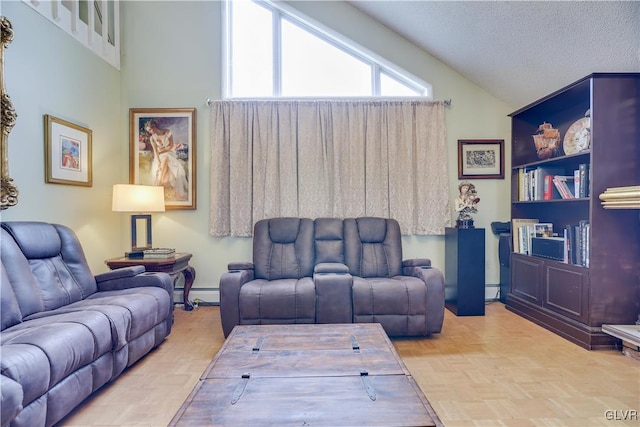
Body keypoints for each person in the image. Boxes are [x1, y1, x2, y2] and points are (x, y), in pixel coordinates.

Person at [144, 119, 189, 201]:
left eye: (151, 129)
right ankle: (161, 184)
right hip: (160, 156)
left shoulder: (167, 132)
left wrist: (161, 150)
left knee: (166, 158)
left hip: (170, 153)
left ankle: (159, 185)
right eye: (149, 130)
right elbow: (155, 151)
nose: (150, 131)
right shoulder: (152, 138)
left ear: (154, 126)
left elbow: (171, 146)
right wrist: (158, 161)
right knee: (163, 162)